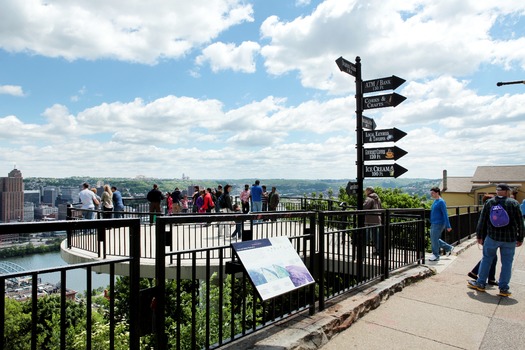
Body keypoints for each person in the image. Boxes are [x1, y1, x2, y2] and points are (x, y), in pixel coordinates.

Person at [467, 184, 524, 297]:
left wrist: (479, 236)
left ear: (497, 191)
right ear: (507, 191)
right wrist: (520, 237)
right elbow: (520, 223)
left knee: (487, 259)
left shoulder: (490, 203)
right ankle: (503, 288)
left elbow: (482, 221)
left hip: (492, 237)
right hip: (509, 239)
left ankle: (480, 283)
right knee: (507, 263)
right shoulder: (514, 203)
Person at [468, 194, 498, 285]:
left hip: (487, 236)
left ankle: (488, 277)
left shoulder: (486, 211)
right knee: (490, 257)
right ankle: (481, 275)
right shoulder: (488, 211)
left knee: (490, 257)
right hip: (487, 236)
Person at [429, 186, 454, 261]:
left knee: (434, 239)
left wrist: (448, 225)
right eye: (431, 193)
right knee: (434, 238)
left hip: (439, 223)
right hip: (434, 223)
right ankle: (449, 248)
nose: (432, 194)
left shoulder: (441, 202)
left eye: (433, 193)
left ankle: (436, 255)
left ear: (437, 193)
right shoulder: (435, 201)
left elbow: (445, 214)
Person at [363, 186, 382, 255]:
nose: (365, 192)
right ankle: (378, 250)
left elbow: (364, 207)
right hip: (377, 219)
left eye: (366, 190)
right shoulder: (377, 198)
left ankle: (362, 249)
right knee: (376, 235)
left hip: (370, 220)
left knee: (367, 235)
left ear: (369, 191)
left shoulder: (369, 198)